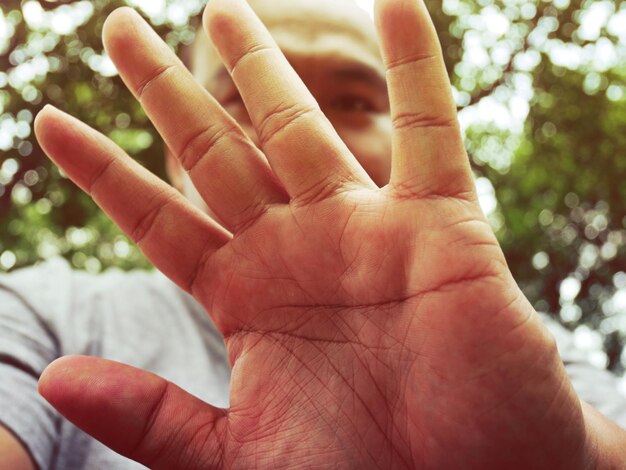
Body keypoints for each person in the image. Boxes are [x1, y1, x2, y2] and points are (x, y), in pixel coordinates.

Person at [1, 0, 626, 468]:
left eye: (353, 100)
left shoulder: (526, 354)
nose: (296, 129)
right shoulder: (49, 315)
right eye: (243, 99)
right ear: (175, 157)